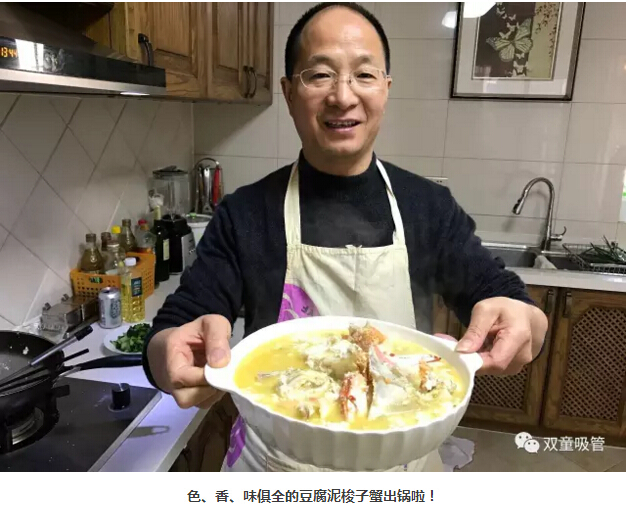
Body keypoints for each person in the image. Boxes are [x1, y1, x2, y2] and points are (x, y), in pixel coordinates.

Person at [143, 2, 548, 472]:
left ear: (386, 89)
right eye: (319, 75)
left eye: (364, 75)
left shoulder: (428, 208)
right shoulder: (246, 214)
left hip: (400, 472)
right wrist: (165, 354)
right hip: (274, 471)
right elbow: (175, 326)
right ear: (289, 92)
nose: (342, 96)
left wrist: (527, 322)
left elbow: (504, 297)